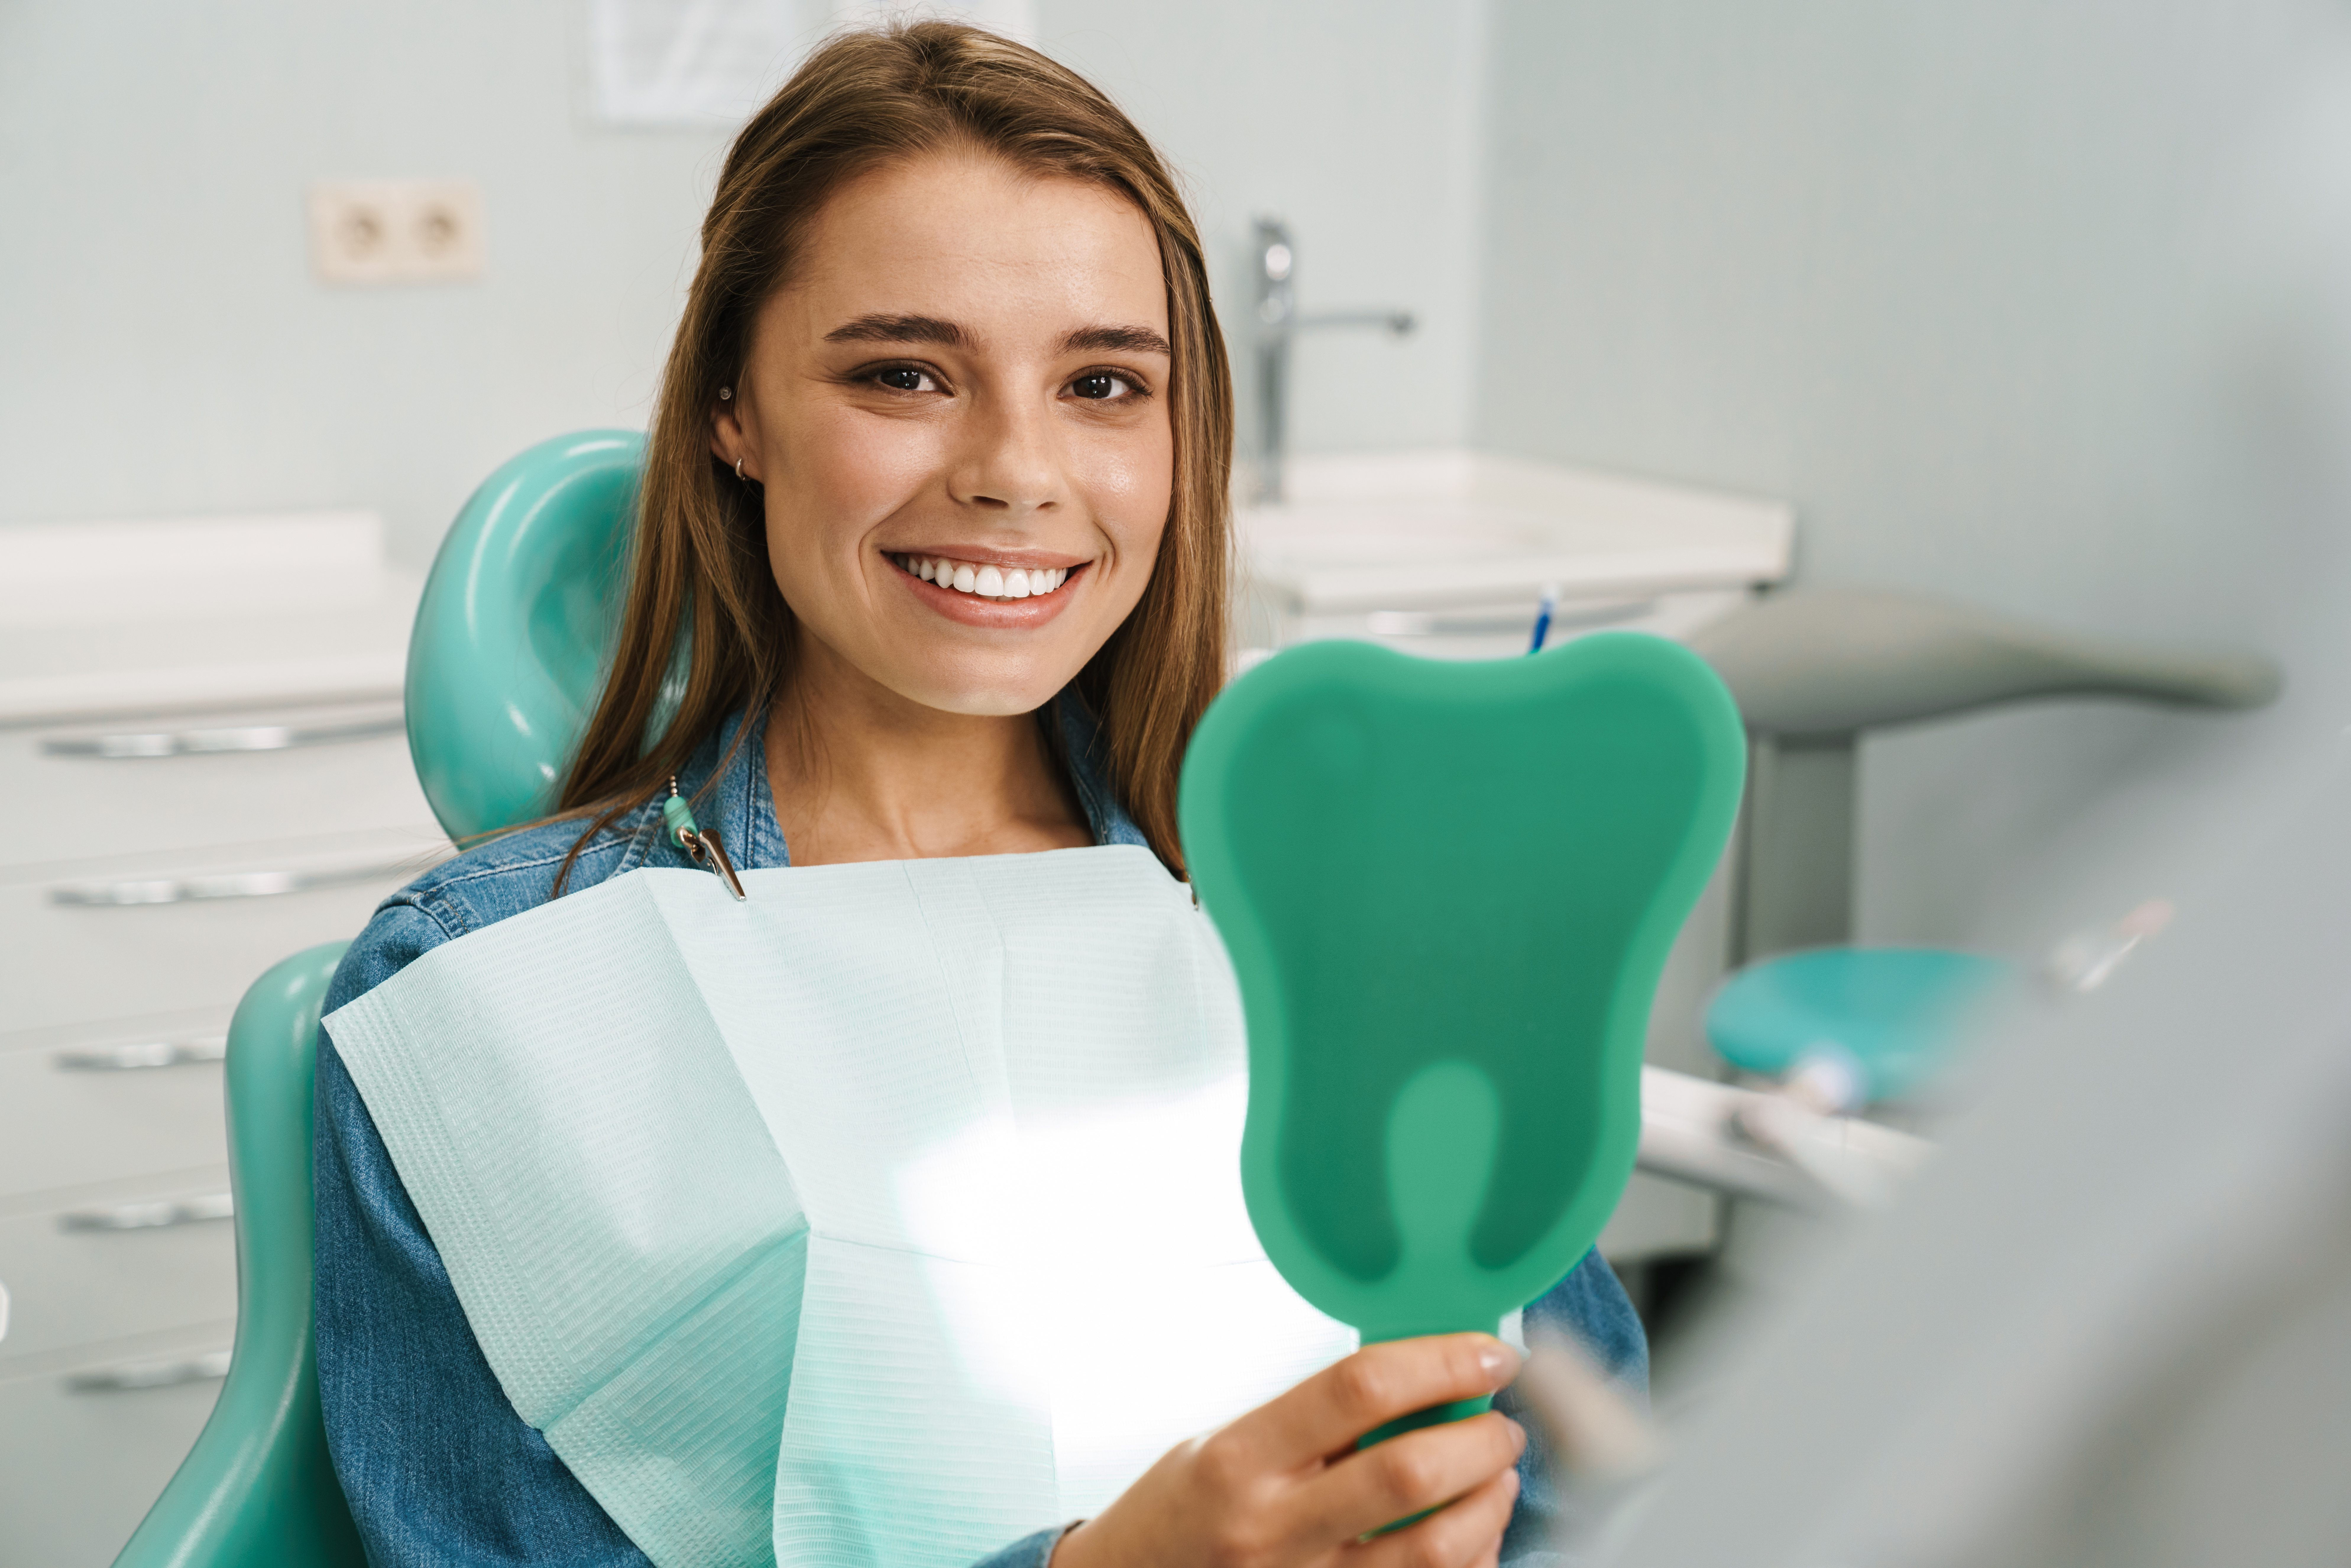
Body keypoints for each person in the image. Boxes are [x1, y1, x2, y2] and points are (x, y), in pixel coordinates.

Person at [315, 22, 1646, 1568]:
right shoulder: (486, 1000)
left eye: (1101, 382)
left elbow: (1601, 1484)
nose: (1018, 470)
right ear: (732, 406)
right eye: (905, 372)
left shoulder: (1351, 926)